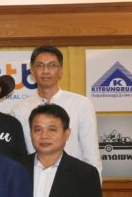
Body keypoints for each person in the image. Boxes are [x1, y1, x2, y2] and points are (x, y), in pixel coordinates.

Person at [11, 45, 102, 178]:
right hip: (34, 181)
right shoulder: (19, 110)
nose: (46, 71)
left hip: (73, 180)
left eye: (52, 65)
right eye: (40, 65)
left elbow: (91, 155)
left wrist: (93, 186)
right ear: (32, 72)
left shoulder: (81, 104)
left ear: (61, 71)